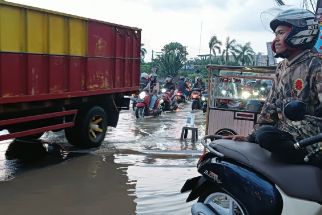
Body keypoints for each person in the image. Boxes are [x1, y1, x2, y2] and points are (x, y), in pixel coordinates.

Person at [224, 8, 322, 164]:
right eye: (275, 34)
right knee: (264, 134)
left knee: (266, 135)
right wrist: (251, 137)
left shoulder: (315, 64)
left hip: (312, 141)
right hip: (287, 135)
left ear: (301, 33)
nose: (275, 39)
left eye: (280, 33)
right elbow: (269, 107)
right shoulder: (281, 67)